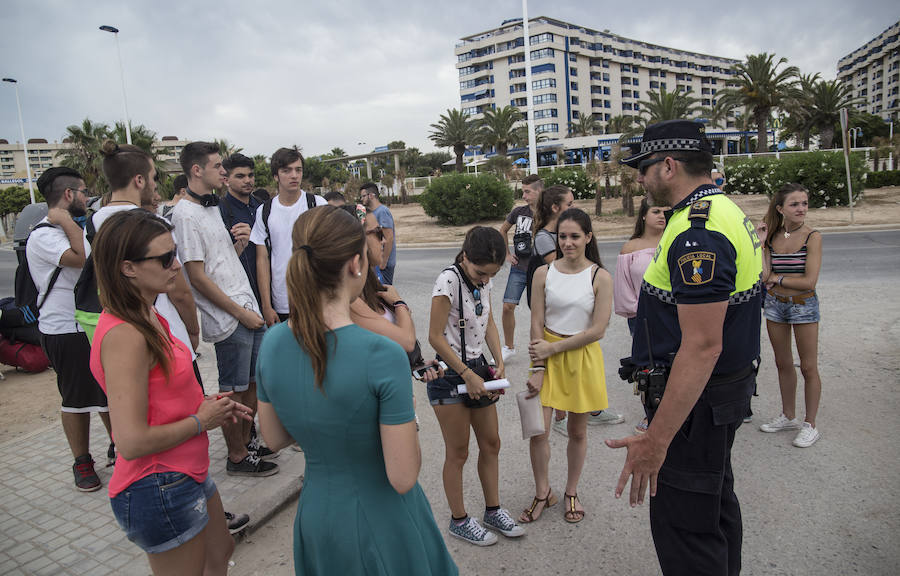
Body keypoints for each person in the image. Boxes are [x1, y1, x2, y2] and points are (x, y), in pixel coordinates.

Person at [255, 205, 457, 575]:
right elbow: (403, 475)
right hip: (382, 520)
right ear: (356, 263)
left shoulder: (271, 343)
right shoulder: (382, 354)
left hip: (317, 516)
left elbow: (273, 437)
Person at [607, 119, 762, 576]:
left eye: (644, 168)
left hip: (695, 404)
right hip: (714, 398)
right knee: (713, 509)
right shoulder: (722, 210)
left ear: (669, 165)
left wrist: (657, 440)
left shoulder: (699, 232)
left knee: (687, 531)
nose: (639, 178)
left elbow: (702, 346)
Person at [89, 209, 251, 574]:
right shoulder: (125, 336)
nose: (176, 265)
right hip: (157, 483)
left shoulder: (147, 314)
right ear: (128, 267)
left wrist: (209, 406)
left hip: (184, 470)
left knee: (220, 550)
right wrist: (200, 420)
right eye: (165, 258)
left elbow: (161, 396)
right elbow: (129, 441)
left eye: (174, 252)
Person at [171, 141, 278, 478]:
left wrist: (239, 245)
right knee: (234, 391)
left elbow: (216, 261)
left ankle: (246, 446)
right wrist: (240, 313)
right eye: (218, 166)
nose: (223, 171)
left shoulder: (210, 206)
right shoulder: (185, 214)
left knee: (252, 387)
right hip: (231, 318)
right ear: (196, 170)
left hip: (247, 309)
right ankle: (236, 456)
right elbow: (197, 277)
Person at [427, 226, 525, 546]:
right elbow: (435, 337)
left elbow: (489, 321)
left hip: (479, 370)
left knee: (491, 443)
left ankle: (493, 511)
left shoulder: (485, 278)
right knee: (458, 452)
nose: (486, 279)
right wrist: (467, 375)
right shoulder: (449, 281)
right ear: (465, 257)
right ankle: (459, 519)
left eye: (492, 274)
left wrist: (499, 361)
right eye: (481, 273)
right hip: (450, 376)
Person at [521, 208, 613, 524]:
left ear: (588, 237)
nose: (568, 243)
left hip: (581, 358)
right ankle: (543, 492)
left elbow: (598, 330)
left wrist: (553, 349)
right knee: (539, 432)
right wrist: (539, 366)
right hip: (546, 359)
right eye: (563, 236)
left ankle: (572, 491)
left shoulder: (600, 277)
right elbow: (536, 320)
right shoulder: (543, 274)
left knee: (577, 431)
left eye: (575, 236)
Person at [26, 167, 113, 491]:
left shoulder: (74, 228)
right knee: (76, 399)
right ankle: (82, 460)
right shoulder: (45, 235)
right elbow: (82, 258)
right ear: (68, 196)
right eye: (82, 191)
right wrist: (63, 220)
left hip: (89, 323)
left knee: (107, 393)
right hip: (64, 329)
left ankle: (118, 446)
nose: (87, 196)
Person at [758, 183, 823, 448]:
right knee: (782, 363)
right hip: (775, 304)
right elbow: (764, 277)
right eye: (795, 204)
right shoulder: (773, 236)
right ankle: (788, 416)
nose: (801, 209)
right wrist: (762, 245)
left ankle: (810, 424)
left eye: (805, 203)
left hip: (803, 305)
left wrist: (779, 278)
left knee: (808, 366)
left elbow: (809, 282)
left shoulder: (812, 236)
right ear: (780, 208)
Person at [250, 147, 327, 325]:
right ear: (276, 176)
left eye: (298, 170)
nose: (294, 175)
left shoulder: (317, 204)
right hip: (282, 301)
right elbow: (262, 260)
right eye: (287, 170)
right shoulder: (265, 211)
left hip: (317, 297)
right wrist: (267, 306)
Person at [614, 197, 669, 433]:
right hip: (642, 318)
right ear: (644, 215)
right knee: (647, 367)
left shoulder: (675, 241)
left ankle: (673, 414)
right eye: (656, 211)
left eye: (666, 211)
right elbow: (623, 286)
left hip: (674, 315)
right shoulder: (631, 247)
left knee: (675, 365)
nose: (661, 216)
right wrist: (638, 312)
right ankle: (650, 414)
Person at [497, 174, 541, 362]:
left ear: (539, 191)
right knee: (508, 306)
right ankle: (509, 347)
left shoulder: (549, 212)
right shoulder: (518, 212)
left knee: (539, 311)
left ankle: (539, 348)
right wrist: (507, 254)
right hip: (519, 267)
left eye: (527, 192)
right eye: (523, 191)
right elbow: (502, 230)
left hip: (540, 270)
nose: (524, 196)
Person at [360, 182, 397, 284]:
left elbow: (389, 238)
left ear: (371, 195)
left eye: (363, 196)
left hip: (384, 264)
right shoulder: (371, 212)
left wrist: (383, 262)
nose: (361, 199)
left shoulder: (382, 212)